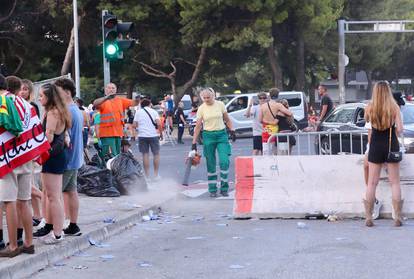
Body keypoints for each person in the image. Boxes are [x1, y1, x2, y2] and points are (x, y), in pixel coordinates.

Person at [35, 83, 71, 244]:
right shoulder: (60, 111)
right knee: (54, 196)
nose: (39, 98)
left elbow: (48, 137)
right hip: (57, 156)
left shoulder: (52, 113)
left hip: (52, 157)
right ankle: (55, 229)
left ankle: (57, 233)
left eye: (41, 95)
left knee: (53, 197)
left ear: (49, 97)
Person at [364, 81, 403, 227]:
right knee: (395, 182)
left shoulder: (369, 107)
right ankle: (397, 217)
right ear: (388, 91)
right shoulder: (394, 107)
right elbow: (399, 129)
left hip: (375, 145)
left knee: (372, 183)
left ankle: (368, 217)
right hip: (391, 144)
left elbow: (368, 125)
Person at [192, 88, 235, 197]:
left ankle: (224, 188)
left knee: (224, 161)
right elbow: (198, 126)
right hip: (208, 136)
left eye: (208, 97)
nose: (206, 99)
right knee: (210, 163)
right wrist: (194, 143)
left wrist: (232, 130)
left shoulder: (220, 104)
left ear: (213, 96)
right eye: (204, 98)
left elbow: (227, 119)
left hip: (221, 135)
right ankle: (212, 190)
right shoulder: (201, 108)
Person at [55, 78, 83, 236]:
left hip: (67, 160)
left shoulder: (68, 111)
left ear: (66, 92)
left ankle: (56, 229)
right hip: (75, 159)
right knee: (71, 192)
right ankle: (73, 225)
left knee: (55, 195)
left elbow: (65, 139)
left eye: (58, 91)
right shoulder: (75, 109)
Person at [92, 83, 137, 159]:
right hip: (106, 134)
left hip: (118, 134)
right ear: (105, 90)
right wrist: (106, 98)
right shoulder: (103, 101)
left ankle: (114, 170)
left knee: (117, 156)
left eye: (113, 88)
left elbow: (134, 103)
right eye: (109, 88)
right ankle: (107, 170)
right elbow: (95, 103)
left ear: (116, 90)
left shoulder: (120, 100)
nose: (111, 89)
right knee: (109, 157)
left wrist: (138, 99)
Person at [133, 98, 163, 180]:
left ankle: (147, 176)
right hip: (153, 135)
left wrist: (138, 129)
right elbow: (159, 124)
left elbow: (134, 125)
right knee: (156, 154)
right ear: (149, 104)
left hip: (142, 136)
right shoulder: (154, 112)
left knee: (145, 155)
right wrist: (160, 133)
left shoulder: (138, 112)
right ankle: (156, 175)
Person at [259, 88, 292, 155]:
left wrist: (267, 122)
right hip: (275, 130)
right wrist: (279, 113)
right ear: (277, 95)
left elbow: (260, 120)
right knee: (276, 152)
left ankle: (267, 165)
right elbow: (289, 113)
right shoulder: (278, 105)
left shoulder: (263, 106)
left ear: (269, 95)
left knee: (266, 152)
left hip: (266, 130)